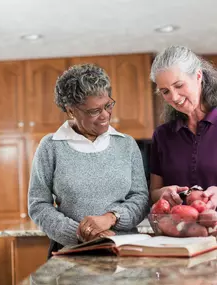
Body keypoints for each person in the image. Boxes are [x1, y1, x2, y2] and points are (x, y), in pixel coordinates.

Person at [28, 63, 149, 257]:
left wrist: (112, 218)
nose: (105, 116)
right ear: (71, 111)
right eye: (94, 111)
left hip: (124, 252)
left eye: (108, 105)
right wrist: (82, 233)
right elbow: (39, 205)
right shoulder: (51, 146)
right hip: (73, 252)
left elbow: (141, 199)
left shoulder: (126, 144)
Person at [150, 45, 217, 209]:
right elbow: (154, 193)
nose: (174, 97)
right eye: (165, 91)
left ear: (198, 76)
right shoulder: (162, 135)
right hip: (179, 229)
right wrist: (163, 193)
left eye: (179, 85)